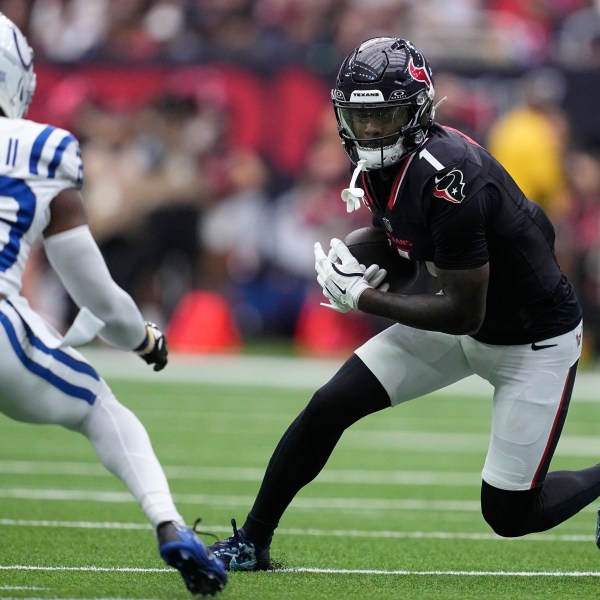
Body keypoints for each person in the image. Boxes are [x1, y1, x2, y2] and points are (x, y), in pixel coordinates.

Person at [209, 37, 600, 571]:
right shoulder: (385, 162)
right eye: (359, 117)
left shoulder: (448, 175)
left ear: (416, 110)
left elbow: (465, 312)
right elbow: (404, 248)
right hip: (467, 320)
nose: (369, 131)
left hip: (531, 341)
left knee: (509, 513)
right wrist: (353, 256)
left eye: (383, 116)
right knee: (329, 406)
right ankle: (252, 542)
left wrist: (365, 297)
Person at [0, 13, 226, 596]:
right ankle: (169, 523)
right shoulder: (39, 149)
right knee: (102, 408)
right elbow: (97, 293)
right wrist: (142, 338)